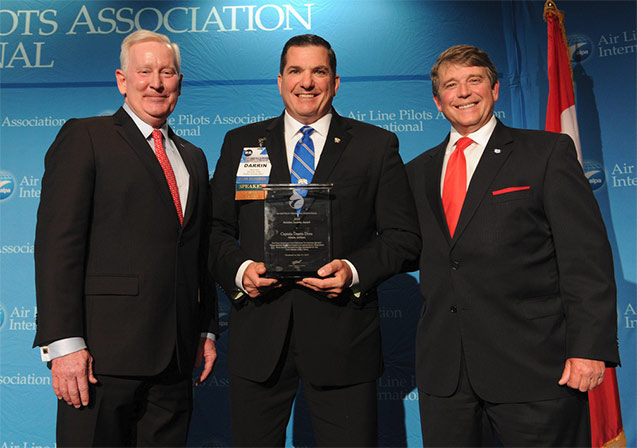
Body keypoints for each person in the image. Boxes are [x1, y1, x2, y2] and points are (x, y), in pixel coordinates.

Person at [209, 34, 420, 446]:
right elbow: (215, 231)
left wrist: (353, 270)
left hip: (343, 339)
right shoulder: (242, 143)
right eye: (296, 71)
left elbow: (404, 238)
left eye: (318, 71)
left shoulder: (375, 146)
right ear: (280, 80)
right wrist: (239, 271)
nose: (306, 82)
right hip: (259, 338)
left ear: (335, 82)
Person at [406, 44, 620, 446]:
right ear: (438, 102)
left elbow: (585, 256)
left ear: (496, 89)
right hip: (448, 379)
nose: (464, 92)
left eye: (475, 80)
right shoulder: (417, 172)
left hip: (536, 370)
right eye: (451, 85)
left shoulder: (545, 152)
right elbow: (403, 248)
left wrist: (590, 348)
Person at [33, 30, 218, 447]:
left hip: (175, 359)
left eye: (167, 72)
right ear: (122, 80)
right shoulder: (86, 137)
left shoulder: (193, 157)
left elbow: (198, 252)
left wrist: (205, 331)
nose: (156, 82)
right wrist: (63, 345)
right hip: (101, 360)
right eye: (145, 71)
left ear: (179, 82)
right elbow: (57, 246)